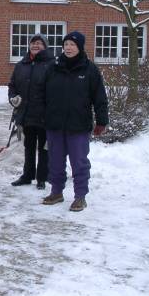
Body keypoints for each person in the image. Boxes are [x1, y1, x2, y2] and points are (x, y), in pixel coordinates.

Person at [42, 31, 109, 212]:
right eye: (66, 44)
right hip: (55, 124)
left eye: (72, 44)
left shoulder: (90, 69)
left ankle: (80, 196)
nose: (68, 48)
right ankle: (56, 192)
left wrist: (101, 121)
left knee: (79, 162)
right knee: (55, 161)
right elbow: (41, 95)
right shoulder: (53, 67)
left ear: (80, 47)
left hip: (78, 126)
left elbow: (100, 97)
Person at [7, 33, 55, 190]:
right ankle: (27, 175)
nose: (35, 45)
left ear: (45, 47)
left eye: (39, 43)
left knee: (43, 147)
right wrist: (13, 98)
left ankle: (42, 177)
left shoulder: (52, 64)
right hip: (25, 113)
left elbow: (57, 89)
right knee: (28, 145)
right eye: (33, 43)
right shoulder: (22, 64)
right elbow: (12, 85)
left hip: (45, 114)